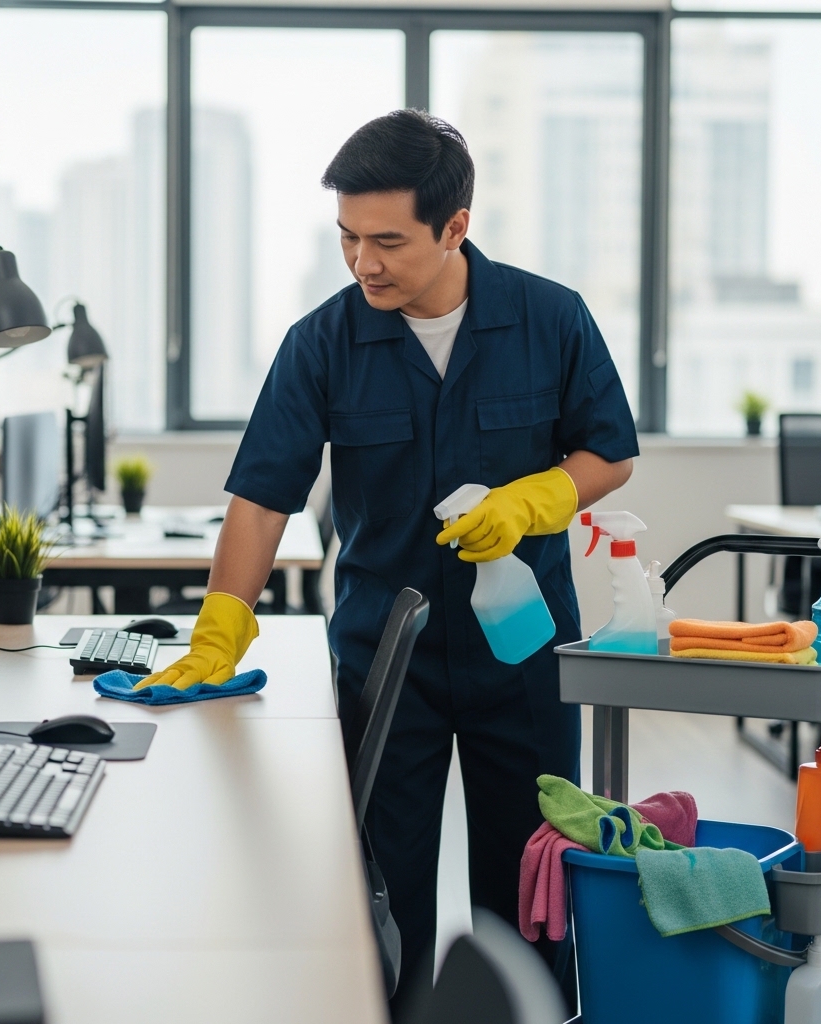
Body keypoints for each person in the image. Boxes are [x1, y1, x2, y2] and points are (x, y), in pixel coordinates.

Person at [137, 109, 638, 1014]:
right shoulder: (322, 343)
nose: (364, 262)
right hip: (383, 663)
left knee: (528, 891)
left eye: (387, 241)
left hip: (521, 657)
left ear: (456, 227)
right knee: (380, 893)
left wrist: (535, 499)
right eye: (347, 239)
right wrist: (220, 629)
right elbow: (260, 501)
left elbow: (610, 451)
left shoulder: (551, 318)